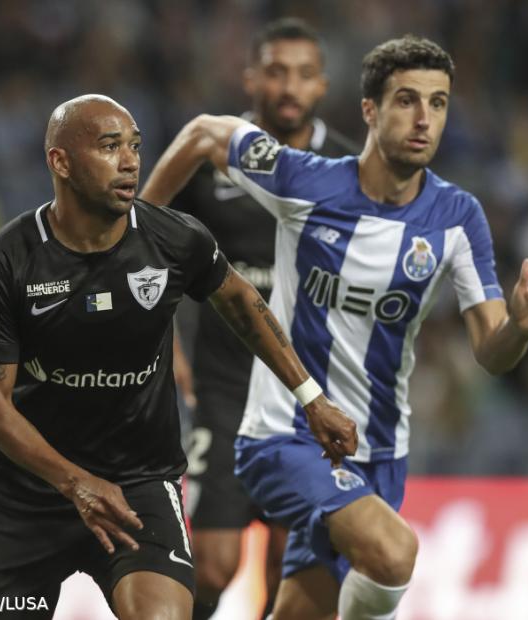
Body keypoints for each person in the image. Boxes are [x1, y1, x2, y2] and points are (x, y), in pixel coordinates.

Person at [140, 36, 528, 620]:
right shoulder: (305, 181)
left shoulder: (458, 217)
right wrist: (134, 245)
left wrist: (519, 327)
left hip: (380, 451)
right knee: (394, 555)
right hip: (286, 434)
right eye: (407, 101)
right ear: (370, 110)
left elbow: (492, 353)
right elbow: (203, 134)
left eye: (438, 104)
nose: (424, 120)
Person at [0, 94, 357, 620]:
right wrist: (75, 483)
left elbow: (240, 300)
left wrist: (311, 397)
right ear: (60, 162)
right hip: (26, 495)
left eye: (135, 146)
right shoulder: (6, 261)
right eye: (109, 146)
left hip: (137, 486)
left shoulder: (173, 238)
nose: (130, 161)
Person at [168, 18, 358, 620]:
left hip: (306, 395)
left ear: (322, 85)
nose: (288, 86)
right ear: (251, 78)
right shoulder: (208, 157)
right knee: (216, 562)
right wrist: (168, 343)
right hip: (223, 388)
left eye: (303, 74)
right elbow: (153, 249)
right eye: (276, 71)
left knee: (289, 565)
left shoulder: (347, 166)